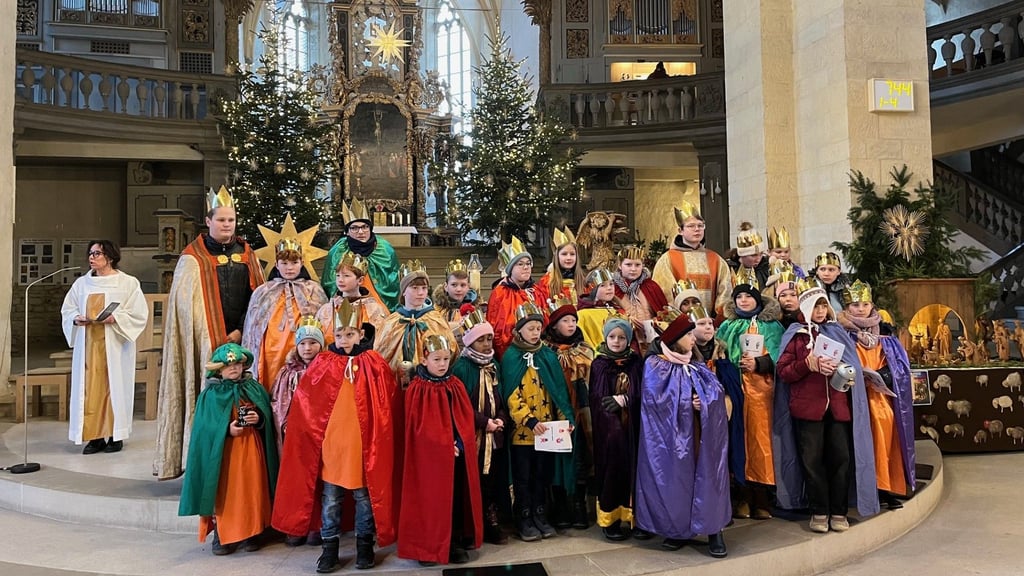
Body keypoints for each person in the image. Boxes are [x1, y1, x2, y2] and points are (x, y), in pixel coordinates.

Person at [271, 299, 399, 572]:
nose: (344, 340)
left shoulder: (373, 362)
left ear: (360, 334)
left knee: (364, 499)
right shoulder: (323, 363)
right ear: (334, 335)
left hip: (363, 448)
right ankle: (330, 550)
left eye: (350, 334)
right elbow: (307, 405)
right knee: (331, 500)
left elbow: (385, 404)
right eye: (339, 335)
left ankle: (365, 546)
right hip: (332, 448)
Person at [156, 186, 265, 480]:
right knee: (208, 403)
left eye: (231, 220)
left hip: (242, 339)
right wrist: (212, 335)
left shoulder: (246, 253)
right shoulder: (193, 258)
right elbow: (185, 309)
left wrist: (241, 330)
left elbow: (258, 298)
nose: (227, 225)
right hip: (205, 343)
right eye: (221, 220)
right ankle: (203, 465)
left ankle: (242, 468)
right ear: (209, 221)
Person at [773, 279, 879, 533]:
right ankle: (819, 511)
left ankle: (839, 511)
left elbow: (851, 366)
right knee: (812, 460)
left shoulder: (837, 332)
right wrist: (806, 365)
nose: (820, 311)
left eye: (824, 305)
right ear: (807, 307)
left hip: (838, 408)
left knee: (840, 458)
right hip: (808, 410)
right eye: (816, 306)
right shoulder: (796, 335)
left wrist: (844, 370)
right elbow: (783, 371)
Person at [634, 308, 729, 558]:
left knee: (707, 477)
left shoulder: (697, 366)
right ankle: (677, 530)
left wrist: (705, 403)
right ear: (676, 338)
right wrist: (688, 402)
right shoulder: (656, 366)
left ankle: (713, 531)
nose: (694, 339)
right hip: (672, 440)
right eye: (689, 335)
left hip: (700, 436)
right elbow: (655, 400)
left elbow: (716, 393)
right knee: (677, 480)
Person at [178, 343, 278, 555]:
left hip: (250, 449)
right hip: (224, 455)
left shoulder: (253, 388)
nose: (234, 369)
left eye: (238, 364)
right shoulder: (210, 395)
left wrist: (259, 418)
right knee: (225, 492)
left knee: (252, 488)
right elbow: (203, 428)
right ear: (219, 369)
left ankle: (252, 532)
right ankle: (222, 534)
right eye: (228, 365)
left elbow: (267, 415)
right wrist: (226, 430)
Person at [399, 334, 483, 566]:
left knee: (454, 498)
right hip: (429, 459)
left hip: (455, 454)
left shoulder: (454, 384)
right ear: (424, 360)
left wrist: (458, 442)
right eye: (437, 359)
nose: (443, 364)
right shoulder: (417, 389)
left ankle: (454, 541)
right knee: (429, 500)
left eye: (446, 359)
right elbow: (419, 429)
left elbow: (462, 419)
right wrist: (442, 447)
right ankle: (427, 546)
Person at [60, 240, 149, 454]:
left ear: (109, 256)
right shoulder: (81, 284)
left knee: (114, 389)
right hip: (88, 347)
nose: (92, 257)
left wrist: (116, 318)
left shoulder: (127, 283)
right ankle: (95, 437)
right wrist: (75, 319)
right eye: (90, 253)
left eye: (97, 253)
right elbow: (67, 309)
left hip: (115, 346)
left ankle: (115, 435)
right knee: (91, 390)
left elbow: (139, 313)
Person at [836, 280, 915, 510]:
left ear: (872, 306)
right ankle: (866, 488)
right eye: (855, 304)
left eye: (865, 304)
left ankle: (886, 486)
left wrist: (884, 375)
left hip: (882, 397)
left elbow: (899, 365)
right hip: (855, 399)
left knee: (886, 434)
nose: (860, 309)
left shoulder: (886, 333)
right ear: (847, 307)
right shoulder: (841, 333)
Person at [500, 302, 575, 542]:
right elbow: (511, 394)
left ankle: (540, 515)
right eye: (530, 328)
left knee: (542, 476)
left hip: (548, 432)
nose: (534, 332)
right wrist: (529, 420)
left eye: (537, 328)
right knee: (524, 477)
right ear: (519, 330)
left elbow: (558, 391)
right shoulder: (511, 357)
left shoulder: (547, 354)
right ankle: (524, 517)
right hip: (524, 433)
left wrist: (565, 419)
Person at [715, 280, 783, 520]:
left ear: (757, 299)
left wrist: (759, 363)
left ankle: (762, 497)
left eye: (748, 296)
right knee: (738, 440)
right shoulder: (727, 326)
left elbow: (780, 356)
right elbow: (717, 354)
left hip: (763, 392)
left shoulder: (772, 326)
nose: (743, 301)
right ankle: (742, 496)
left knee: (761, 442)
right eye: (739, 297)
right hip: (736, 390)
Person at [451, 310, 511, 546]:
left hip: (494, 436)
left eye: (489, 339)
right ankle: (473, 524)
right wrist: (483, 422)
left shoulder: (494, 364)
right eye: (481, 340)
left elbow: (501, 397)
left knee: (493, 479)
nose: (487, 344)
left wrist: (501, 419)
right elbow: (460, 405)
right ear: (470, 342)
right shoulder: (462, 368)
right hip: (473, 436)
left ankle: (491, 519)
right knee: (474, 480)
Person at [242, 238, 328, 385]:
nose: (289, 268)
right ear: (276, 264)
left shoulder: (314, 290)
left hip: (302, 348)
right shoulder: (263, 292)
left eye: (294, 263)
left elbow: (324, 324)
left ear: (302, 263)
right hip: (270, 351)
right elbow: (252, 329)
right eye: (284, 263)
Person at [589, 317, 644, 541]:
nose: (616, 341)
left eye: (622, 338)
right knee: (613, 469)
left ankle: (636, 518)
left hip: (634, 428)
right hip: (610, 431)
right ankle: (610, 519)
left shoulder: (636, 362)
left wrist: (626, 400)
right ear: (605, 337)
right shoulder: (600, 364)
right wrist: (610, 416)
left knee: (636, 470)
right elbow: (596, 396)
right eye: (612, 337)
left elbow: (644, 391)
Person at [542, 295, 595, 529]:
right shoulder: (545, 352)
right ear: (554, 325)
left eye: (573, 319)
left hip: (582, 411)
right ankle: (560, 506)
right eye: (565, 320)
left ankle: (579, 504)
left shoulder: (584, 349)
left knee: (581, 456)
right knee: (556, 457)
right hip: (555, 411)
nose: (571, 324)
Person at [375, 261, 457, 374]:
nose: (421, 293)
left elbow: (451, 350)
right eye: (414, 288)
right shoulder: (391, 322)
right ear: (403, 291)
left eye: (424, 288)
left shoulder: (436, 320)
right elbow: (380, 353)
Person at [652, 200, 733, 315]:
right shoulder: (667, 260)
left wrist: (717, 318)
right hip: (681, 324)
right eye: (691, 226)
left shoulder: (716, 259)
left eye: (700, 226)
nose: (697, 229)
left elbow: (725, 291)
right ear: (680, 231)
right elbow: (664, 293)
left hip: (710, 323)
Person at [321, 198, 400, 311]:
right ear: (347, 231)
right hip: (345, 305)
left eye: (364, 227)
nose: (361, 232)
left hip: (379, 306)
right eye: (354, 228)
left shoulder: (385, 249)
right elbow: (330, 281)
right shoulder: (338, 250)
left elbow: (393, 281)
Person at [486, 236, 550, 358]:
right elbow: (497, 327)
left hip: (538, 349)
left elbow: (546, 321)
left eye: (528, 263)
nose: (526, 267)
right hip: (512, 352)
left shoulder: (536, 291)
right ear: (510, 269)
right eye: (520, 264)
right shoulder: (500, 293)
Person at [269, 316, 323, 460]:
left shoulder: (327, 369)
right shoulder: (287, 373)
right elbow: (279, 403)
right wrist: (287, 423)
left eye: (313, 342)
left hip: (321, 428)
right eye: (302, 343)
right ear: (296, 346)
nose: (307, 348)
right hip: (295, 429)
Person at [316, 252, 388, 346]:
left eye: (346, 276)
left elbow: (382, 340)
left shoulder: (374, 309)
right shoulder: (326, 309)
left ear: (360, 280)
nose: (340, 280)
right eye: (338, 275)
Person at [612, 246, 668, 345]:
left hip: (652, 338)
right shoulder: (612, 289)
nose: (633, 269)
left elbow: (664, 313)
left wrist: (655, 322)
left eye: (637, 265)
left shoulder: (651, 286)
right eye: (628, 265)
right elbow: (607, 311)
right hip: (624, 340)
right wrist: (624, 317)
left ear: (643, 265)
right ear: (620, 265)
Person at [577, 268, 626, 349]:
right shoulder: (583, 314)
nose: (609, 288)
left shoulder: (617, 310)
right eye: (603, 285)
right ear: (593, 290)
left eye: (611, 284)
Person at [433, 259, 481, 333]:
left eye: (463, 285)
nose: (458, 289)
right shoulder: (437, 310)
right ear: (446, 286)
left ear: (468, 286)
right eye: (454, 285)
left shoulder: (476, 308)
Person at [539, 226, 583, 304]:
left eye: (572, 254)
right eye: (564, 254)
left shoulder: (583, 282)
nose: (569, 258)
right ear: (557, 256)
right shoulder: (546, 282)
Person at [726, 222, 770, 288]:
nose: (758, 259)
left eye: (761, 254)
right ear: (742, 255)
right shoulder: (728, 270)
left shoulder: (765, 268)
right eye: (753, 255)